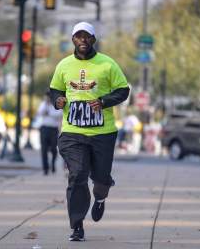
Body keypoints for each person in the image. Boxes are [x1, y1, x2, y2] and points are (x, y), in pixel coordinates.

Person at [49, 22, 130, 242]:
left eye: (87, 37)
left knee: (101, 179)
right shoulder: (64, 65)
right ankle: (77, 226)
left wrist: (103, 101)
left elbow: (123, 90)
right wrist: (57, 100)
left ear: (93, 40)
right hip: (72, 133)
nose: (83, 40)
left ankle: (101, 198)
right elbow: (54, 88)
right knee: (77, 176)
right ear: (73, 40)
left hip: (103, 133)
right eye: (78, 36)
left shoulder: (107, 64)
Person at [36, 91, 62, 175]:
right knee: (44, 149)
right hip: (44, 128)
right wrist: (46, 107)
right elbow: (40, 113)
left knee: (54, 149)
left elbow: (59, 114)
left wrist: (49, 113)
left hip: (54, 129)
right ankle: (45, 168)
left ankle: (53, 164)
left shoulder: (56, 104)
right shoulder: (43, 104)